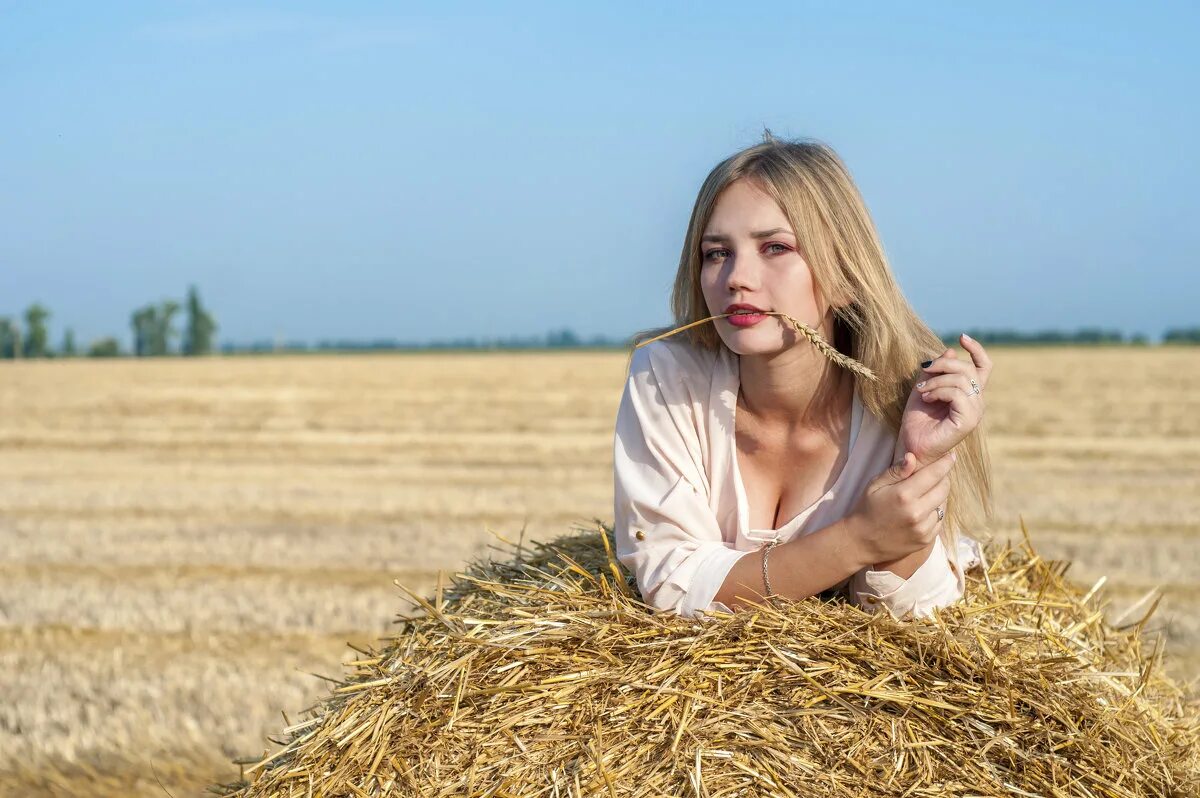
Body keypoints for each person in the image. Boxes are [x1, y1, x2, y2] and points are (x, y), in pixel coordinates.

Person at [612, 132, 994, 621]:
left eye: (774, 247)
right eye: (715, 252)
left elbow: (912, 614)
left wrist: (917, 460)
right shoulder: (666, 377)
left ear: (843, 273)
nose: (736, 278)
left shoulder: (900, 397)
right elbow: (671, 585)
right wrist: (859, 537)